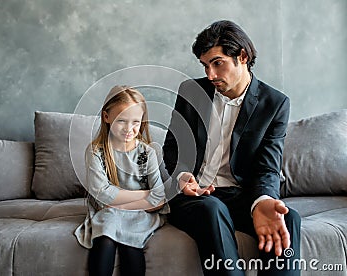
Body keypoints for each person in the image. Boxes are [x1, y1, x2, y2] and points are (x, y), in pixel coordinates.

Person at [163, 20, 301, 275]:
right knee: (212, 209)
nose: (210, 75)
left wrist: (262, 201)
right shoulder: (191, 91)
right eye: (206, 66)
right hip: (196, 196)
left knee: (288, 218)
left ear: (243, 57)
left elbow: (268, 167)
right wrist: (183, 178)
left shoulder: (275, 103)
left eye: (217, 63)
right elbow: (172, 148)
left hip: (240, 195)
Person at [74, 85, 168, 276]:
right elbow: (103, 194)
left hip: (140, 214)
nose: (129, 128)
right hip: (107, 211)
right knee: (105, 237)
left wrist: (122, 203)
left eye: (135, 122)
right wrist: (144, 194)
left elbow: (158, 197)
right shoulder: (96, 152)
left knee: (131, 245)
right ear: (106, 117)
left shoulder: (147, 153)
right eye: (121, 121)